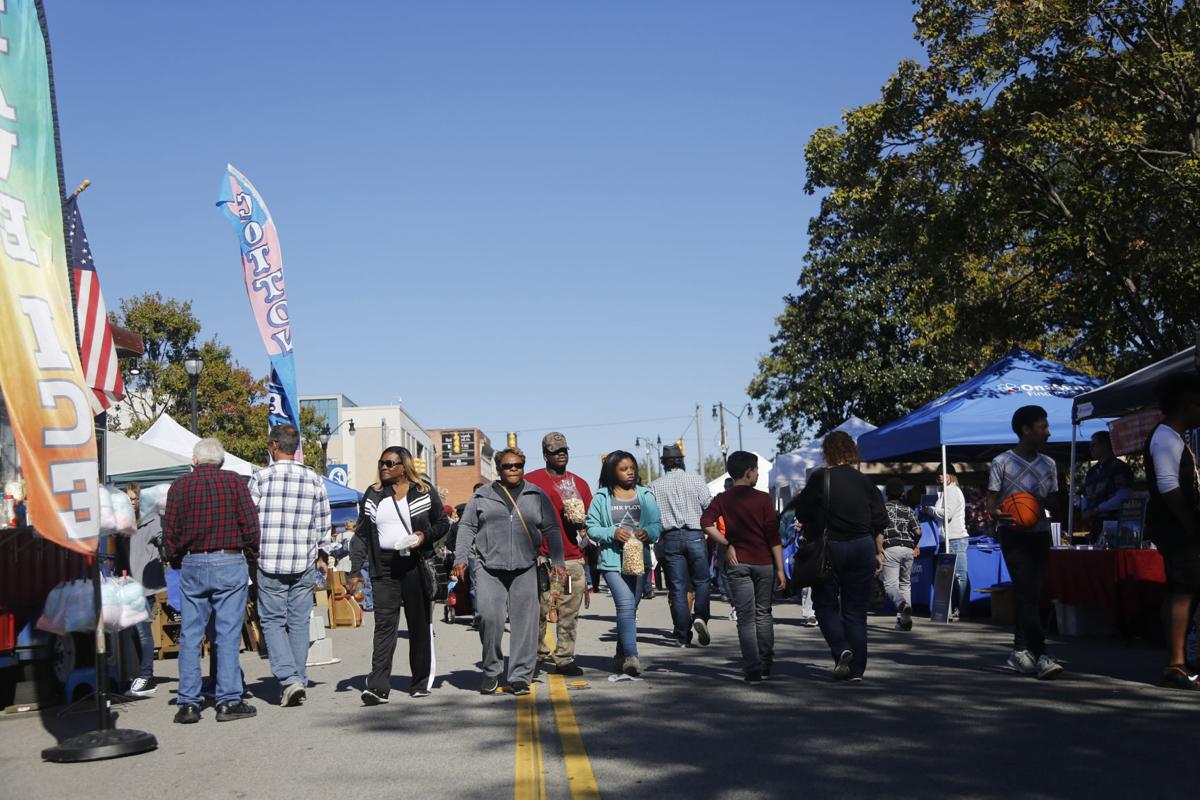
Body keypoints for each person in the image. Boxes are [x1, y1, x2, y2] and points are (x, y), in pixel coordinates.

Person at [162, 438, 260, 724]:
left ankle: (189, 703)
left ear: (195, 461)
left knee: (191, 635)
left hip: (193, 561)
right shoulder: (234, 483)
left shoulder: (179, 486)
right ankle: (228, 700)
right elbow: (250, 526)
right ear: (222, 461)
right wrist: (249, 557)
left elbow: (171, 531)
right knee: (227, 634)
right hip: (229, 559)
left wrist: (178, 559)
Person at [452, 448, 564, 695]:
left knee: (526, 623)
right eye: (508, 466)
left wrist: (558, 561)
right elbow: (467, 527)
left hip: (525, 567)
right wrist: (460, 558)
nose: (513, 470)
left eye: (518, 465)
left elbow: (552, 529)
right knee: (488, 617)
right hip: (488, 567)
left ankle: (520, 676)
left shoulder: (536, 495)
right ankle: (491, 670)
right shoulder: (482, 496)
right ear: (498, 469)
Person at [349, 446, 449, 703]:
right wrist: (355, 570)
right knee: (384, 626)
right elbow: (361, 534)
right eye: (381, 462)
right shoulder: (373, 494)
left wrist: (423, 536)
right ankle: (378, 685)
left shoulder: (423, 492)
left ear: (403, 467)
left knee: (418, 624)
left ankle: (419, 681)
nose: (384, 467)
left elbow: (442, 523)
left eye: (390, 463)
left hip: (415, 563)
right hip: (384, 566)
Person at [789, 431, 886, 682]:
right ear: (851, 452)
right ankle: (857, 671)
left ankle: (840, 647)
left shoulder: (821, 478)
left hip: (831, 548)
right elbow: (879, 520)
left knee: (824, 605)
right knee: (855, 610)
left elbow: (802, 512)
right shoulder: (865, 481)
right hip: (863, 546)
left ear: (828, 452)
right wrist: (879, 551)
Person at [248, 424, 331, 707]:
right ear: (295, 447)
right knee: (298, 622)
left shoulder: (260, 478)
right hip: (303, 559)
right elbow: (323, 523)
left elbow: (249, 521)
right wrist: (322, 554)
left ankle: (288, 678)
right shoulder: (313, 479)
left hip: (269, 559)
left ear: (274, 446)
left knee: (272, 621)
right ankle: (298, 678)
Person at [987, 405, 1064, 680]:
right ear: (1026, 430)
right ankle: (1041, 653)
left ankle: (1019, 650)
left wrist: (1041, 504)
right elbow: (991, 502)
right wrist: (998, 513)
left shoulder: (1050, 464)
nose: (1048, 432)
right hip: (1013, 534)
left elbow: (1054, 503)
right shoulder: (1002, 462)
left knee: (1032, 593)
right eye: (1043, 427)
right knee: (1025, 590)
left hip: (1040, 533)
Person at [701, 451, 784, 682]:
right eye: (756, 470)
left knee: (745, 617)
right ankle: (766, 663)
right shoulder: (763, 499)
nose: (757, 474)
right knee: (764, 614)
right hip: (764, 562)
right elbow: (773, 536)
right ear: (749, 472)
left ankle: (752, 668)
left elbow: (705, 523)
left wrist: (726, 543)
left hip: (737, 563)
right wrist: (780, 569)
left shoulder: (722, 499)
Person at [1142, 373, 1200, 690]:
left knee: (1183, 588)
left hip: (1177, 527)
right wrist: (1189, 524)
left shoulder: (1175, 437)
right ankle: (1176, 663)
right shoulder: (1164, 437)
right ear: (1188, 403)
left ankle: (1177, 657)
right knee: (1184, 589)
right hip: (1177, 528)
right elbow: (1168, 485)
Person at [585, 450, 662, 677]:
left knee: (630, 608)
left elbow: (657, 524)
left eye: (632, 468)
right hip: (612, 562)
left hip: (640, 561)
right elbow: (591, 528)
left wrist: (648, 532)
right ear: (612, 472)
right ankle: (632, 656)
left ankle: (620, 654)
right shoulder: (601, 497)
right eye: (623, 469)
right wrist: (612, 532)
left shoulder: (645, 494)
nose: (630, 472)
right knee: (626, 605)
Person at [524, 432, 593, 677]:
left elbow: (590, 524)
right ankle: (536, 654)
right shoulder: (530, 481)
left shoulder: (580, 484)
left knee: (568, 612)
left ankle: (564, 657)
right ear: (545, 455)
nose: (561, 454)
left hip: (572, 557)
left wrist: (579, 522)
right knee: (538, 611)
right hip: (540, 558)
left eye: (564, 450)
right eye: (555, 451)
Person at [650, 443, 714, 647]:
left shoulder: (655, 485)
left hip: (670, 538)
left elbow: (652, 515)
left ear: (664, 463)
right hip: (695, 534)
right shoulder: (696, 480)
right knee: (702, 580)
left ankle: (682, 636)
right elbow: (709, 506)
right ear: (682, 460)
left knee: (677, 588)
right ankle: (701, 616)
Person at [122, 483, 166, 697]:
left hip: (144, 585)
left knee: (142, 631)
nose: (131, 502)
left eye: (133, 499)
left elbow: (163, 543)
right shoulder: (124, 523)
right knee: (132, 632)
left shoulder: (151, 519)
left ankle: (146, 677)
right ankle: (139, 674)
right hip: (127, 584)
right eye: (128, 499)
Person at [927, 465, 969, 619]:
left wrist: (930, 510)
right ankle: (957, 608)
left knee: (959, 576)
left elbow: (948, 514)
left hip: (956, 538)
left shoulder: (951, 490)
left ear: (950, 475)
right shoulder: (947, 491)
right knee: (955, 576)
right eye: (937, 474)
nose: (938, 477)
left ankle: (961, 609)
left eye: (941, 474)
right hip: (951, 538)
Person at [882, 478, 921, 631]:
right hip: (908, 549)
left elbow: (876, 529)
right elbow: (918, 531)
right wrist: (915, 544)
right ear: (902, 494)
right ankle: (905, 622)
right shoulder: (908, 509)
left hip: (890, 548)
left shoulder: (882, 509)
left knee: (890, 585)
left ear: (887, 494)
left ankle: (901, 604)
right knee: (905, 584)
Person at [1082, 431, 1135, 543]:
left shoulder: (1119, 468)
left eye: (1094, 445)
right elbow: (1085, 495)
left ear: (1105, 445)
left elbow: (1124, 496)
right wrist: (1085, 510)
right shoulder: (1092, 471)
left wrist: (1098, 509)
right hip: (1095, 526)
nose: (1090, 449)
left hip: (1114, 524)